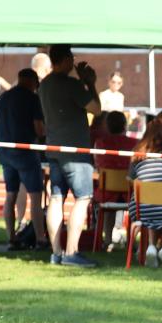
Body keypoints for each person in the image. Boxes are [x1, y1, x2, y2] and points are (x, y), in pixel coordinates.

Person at [38, 44, 101, 267]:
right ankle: (72, 252)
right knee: (83, 198)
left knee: (56, 198)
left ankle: (56, 252)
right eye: (71, 59)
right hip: (75, 150)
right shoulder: (72, 85)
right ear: (65, 59)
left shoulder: (43, 85)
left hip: (53, 148)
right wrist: (89, 82)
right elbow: (96, 109)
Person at [0, 68, 46, 250]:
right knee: (36, 197)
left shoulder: (3, 98)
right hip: (26, 152)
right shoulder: (32, 99)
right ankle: (40, 238)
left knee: (10, 195)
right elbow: (39, 129)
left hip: (5, 152)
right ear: (32, 82)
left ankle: (11, 237)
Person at [128, 116, 162, 268]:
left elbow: (130, 179)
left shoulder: (138, 153)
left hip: (141, 210)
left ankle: (151, 246)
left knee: (151, 203)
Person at [93, 112, 138, 254]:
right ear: (125, 125)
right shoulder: (135, 144)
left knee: (107, 210)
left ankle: (107, 241)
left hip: (106, 193)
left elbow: (97, 166)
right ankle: (131, 242)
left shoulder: (100, 143)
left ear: (107, 126)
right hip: (130, 193)